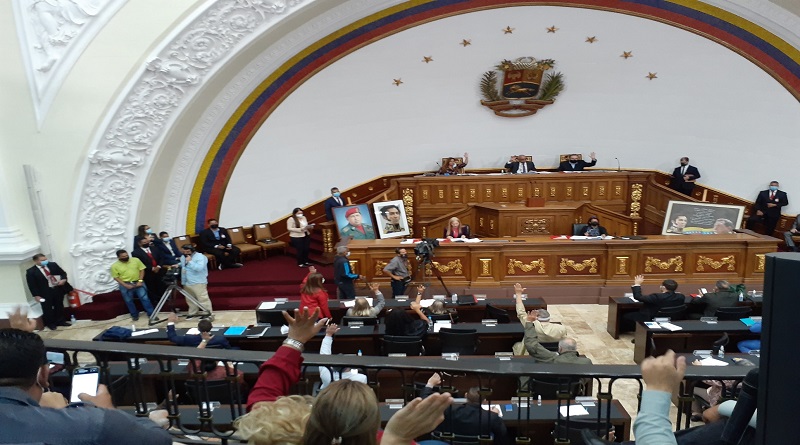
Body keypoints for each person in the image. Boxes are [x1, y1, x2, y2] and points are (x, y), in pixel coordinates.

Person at [235, 307, 453, 445]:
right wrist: (397, 437)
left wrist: (294, 341)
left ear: (315, 414)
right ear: (373, 422)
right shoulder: (384, 439)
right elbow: (264, 396)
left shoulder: (275, 431)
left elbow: (263, 397)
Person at [0, 308, 172, 445]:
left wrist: (18, 339)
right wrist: (107, 411)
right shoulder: (91, 423)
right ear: (43, 374)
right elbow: (160, 440)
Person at [422, 373, 510, 444]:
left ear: (466, 395)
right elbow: (502, 435)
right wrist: (494, 415)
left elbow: (425, 403)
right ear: (484, 400)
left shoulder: (449, 410)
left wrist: (430, 384)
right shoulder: (491, 417)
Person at [523, 310, 592, 364]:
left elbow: (531, 344)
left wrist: (529, 322)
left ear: (560, 349)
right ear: (575, 349)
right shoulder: (586, 362)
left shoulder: (551, 359)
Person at [25, 253, 71, 330]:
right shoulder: (31, 272)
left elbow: (63, 273)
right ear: (36, 261)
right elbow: (32, 285)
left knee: (59, 306)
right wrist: (36, 295)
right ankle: (50, 323)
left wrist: (63, 279)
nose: (45, 261)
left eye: (45, 259)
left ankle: (60, 321)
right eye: (42, 260)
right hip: (44, 293)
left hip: (57, 289)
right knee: (47, 308)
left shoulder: (53, 265)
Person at [318, 323, 368, 391]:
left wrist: (328, 335)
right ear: (348, 367)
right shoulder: (361, 378)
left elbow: (324, 355)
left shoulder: (326, 375)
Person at [110, 249, 155, 321]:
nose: (126, 257)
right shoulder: (114, 266)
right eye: (123, 256)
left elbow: (142, 270)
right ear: (118, 257)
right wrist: (125, 285)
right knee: (128, 300)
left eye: (126, 255)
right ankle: (134, 315)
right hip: (125, 284)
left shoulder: (135, 260)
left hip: (138, 282)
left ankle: (151, 314)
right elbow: (116, 277)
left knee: (145, 298)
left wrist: (140, 281)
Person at [179, 244, 213, 319]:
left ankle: (207, 313)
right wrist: (178, 265)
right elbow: (184, 265)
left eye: (187, 251)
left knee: (202, 298)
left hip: (198, 281)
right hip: (186, 281)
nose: (185, 253)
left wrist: (190, 261)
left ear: (192, 251)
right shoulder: (183, 257)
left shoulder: (200, 257)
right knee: (189, 298)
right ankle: (193, 312)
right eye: (184, 251)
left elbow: (199, 268)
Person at [166, 312, 231, 348]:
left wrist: (170, 322)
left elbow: (172, 338)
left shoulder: (188, 339)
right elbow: (228, 349)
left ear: (198, 328)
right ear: (211, 327)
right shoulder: (220, 339)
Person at [131, 236, 164, 302]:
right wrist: (152, 268)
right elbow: (139, 263)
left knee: (160, 286)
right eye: (144, 242)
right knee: (151, 288)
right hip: (148, 273)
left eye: (147, 242)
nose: (146, 243)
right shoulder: (135, 252)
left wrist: (158, 266)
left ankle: (162, 300)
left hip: (159, 271)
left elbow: (161, 258)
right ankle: (154, 301)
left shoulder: (155, 248)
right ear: (139, 244)